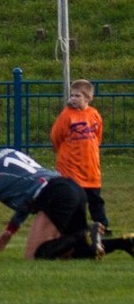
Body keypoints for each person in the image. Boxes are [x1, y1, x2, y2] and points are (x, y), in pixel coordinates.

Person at [0, 128, 134, 261]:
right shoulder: (8, 152)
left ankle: (88, 231)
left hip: (53, 195)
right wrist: (10, 229)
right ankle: (124, 242)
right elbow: (29, 196)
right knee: (74, 252)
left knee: (35, 256)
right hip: (70, 187)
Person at [50, 79, 110, 234]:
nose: (73, 99)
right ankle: (77, 228)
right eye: (72, 95)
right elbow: (56, 137)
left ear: (88, 98)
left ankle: (103, 227)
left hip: (90, 167)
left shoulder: (94, 114)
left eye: (77, 96)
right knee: (76, 200)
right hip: (70, 167)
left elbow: (98, 137)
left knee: (96, 200)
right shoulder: (67, 115)